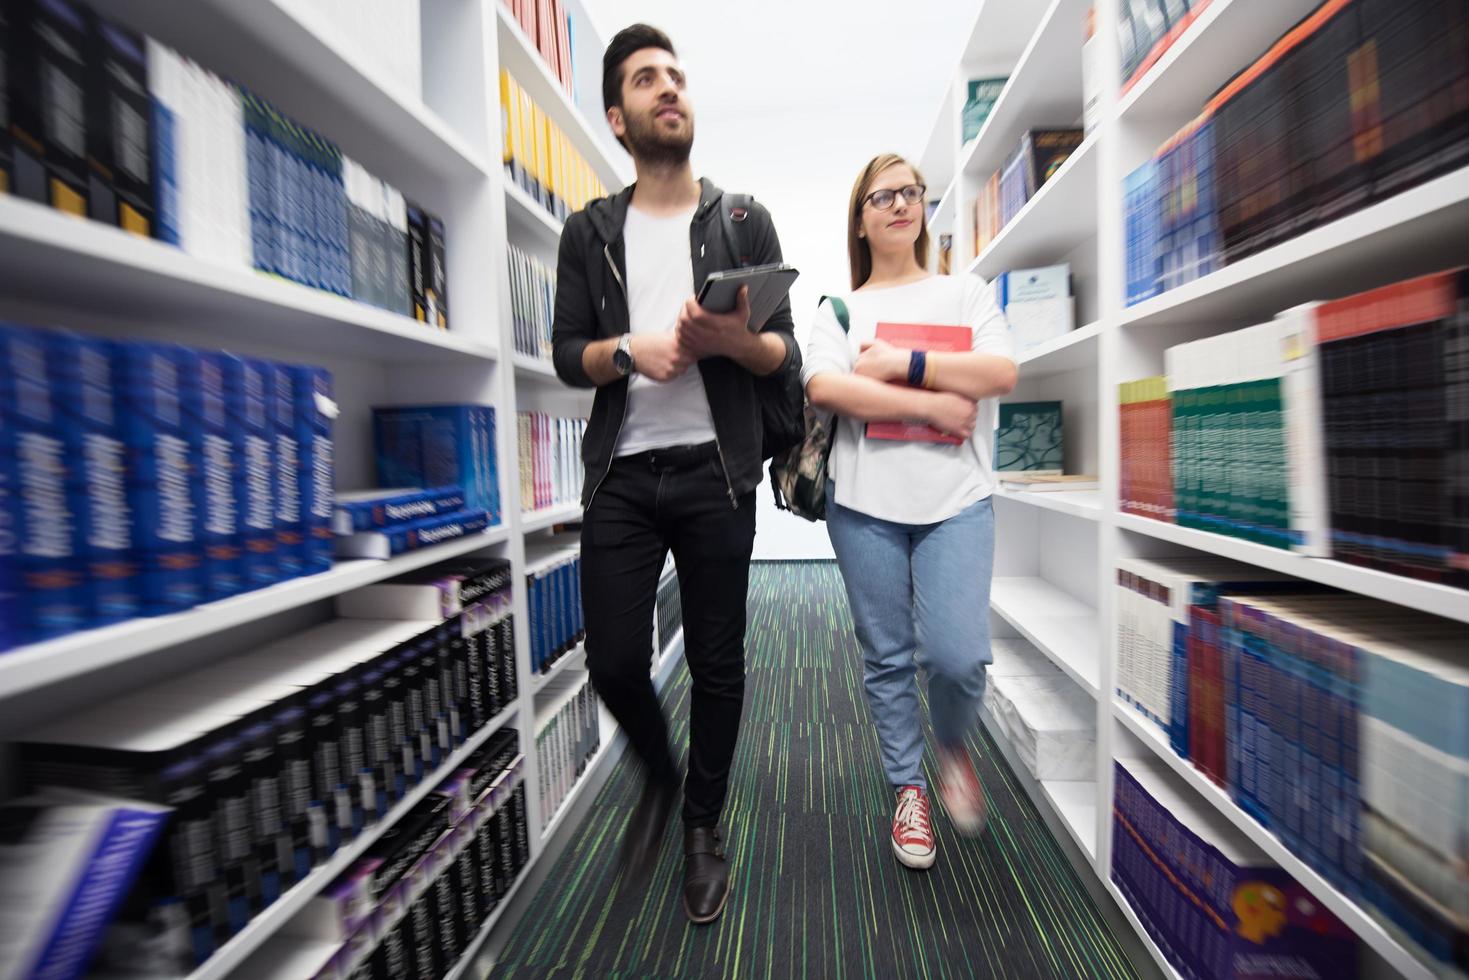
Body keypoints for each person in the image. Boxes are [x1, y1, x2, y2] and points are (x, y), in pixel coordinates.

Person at [550, 24, 800, 923]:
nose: (668, 89)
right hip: (622, 471)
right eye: (646, 80)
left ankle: (702, 824)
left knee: (716, 662)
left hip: (716, 469)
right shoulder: (589, 232)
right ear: (618, 118)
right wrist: (631, 351)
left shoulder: (742, 218)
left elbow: (784, 359)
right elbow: (563, 353)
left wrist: (735, 341)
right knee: (614, 661)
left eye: (676, 76)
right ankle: (657, 774)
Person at [801, 153, 1017, 870]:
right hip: (864, 505)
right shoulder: (839, 309)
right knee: (887, 657)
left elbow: (999, 372)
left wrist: (902, 364)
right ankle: (908, 789)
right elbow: (829, 389)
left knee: (958, 658)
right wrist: (934, 402)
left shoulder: (966, 292)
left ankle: (952, 745)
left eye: (910, 193)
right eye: (880, 196)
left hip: (956, 501)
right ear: (859, 220)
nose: (899, 204)